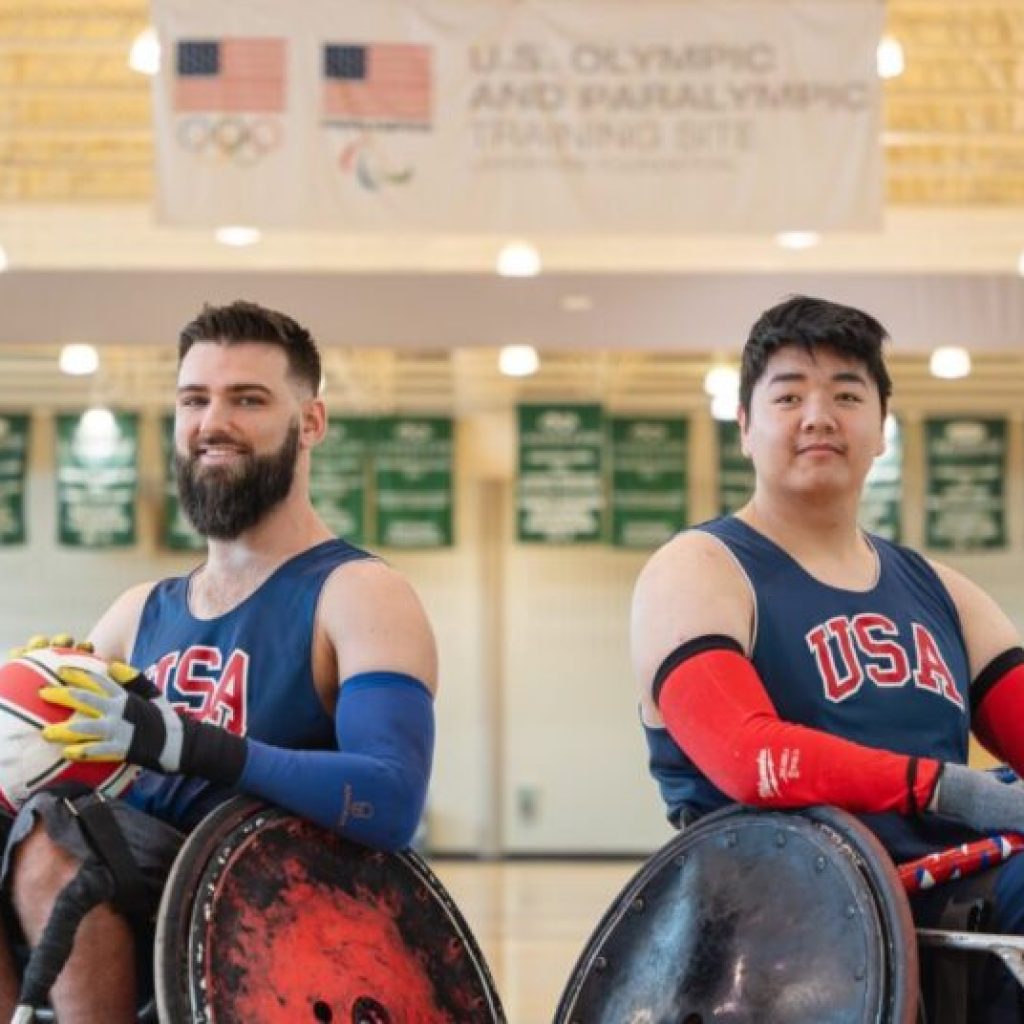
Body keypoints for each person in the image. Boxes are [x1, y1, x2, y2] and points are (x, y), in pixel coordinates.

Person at [0, 300, 437, 1023]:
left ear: (312, 424)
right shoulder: (137, 612)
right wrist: (19, 722)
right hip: (139, 917)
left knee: (57, 838)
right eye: (194, 400)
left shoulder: (359, 594)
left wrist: (186, 743)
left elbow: (390, 801)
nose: (214, 423)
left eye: (249, 399)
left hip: (282, 927)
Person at [631, 295, 1024, 1022]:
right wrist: (959, 791)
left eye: (847, 395)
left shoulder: (944, 591)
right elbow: (750, 758)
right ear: (745, 426)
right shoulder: (698, 568)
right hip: (780, 926)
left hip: (954, 909)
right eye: (789, 396)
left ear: (880, 430)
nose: (819, 416)